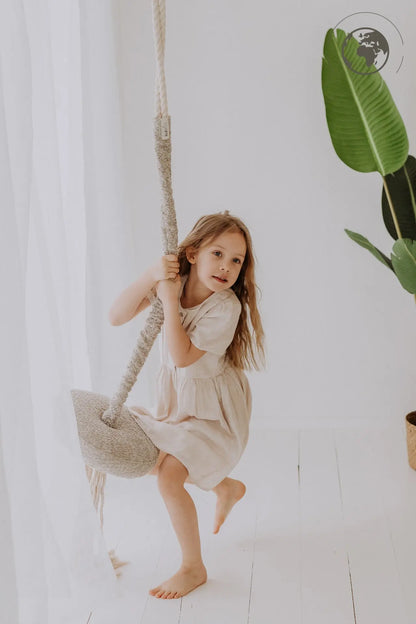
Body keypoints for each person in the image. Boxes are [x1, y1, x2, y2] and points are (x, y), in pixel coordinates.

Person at [108, 210, 265, 600]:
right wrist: (152, 276)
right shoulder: (173, 285)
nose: (227, 267)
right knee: (148, 457)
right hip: (179, 406)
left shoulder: (225, 307)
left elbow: (180, 357)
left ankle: (193, 567)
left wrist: (168, 299)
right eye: (218, 253)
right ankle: (225, 486)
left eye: (236, 260)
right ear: (192, 253)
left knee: (169, 475)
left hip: (214, 413)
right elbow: (116, 316)